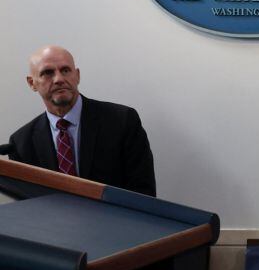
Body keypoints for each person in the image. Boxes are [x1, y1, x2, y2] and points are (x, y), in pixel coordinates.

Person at [9, 45, 156, 196]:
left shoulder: (122, 121)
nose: (59, 79)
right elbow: (27, 207)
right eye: (47, 73)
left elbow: (143, 193)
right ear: (31, 83)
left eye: (65, 70)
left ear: (77, 75)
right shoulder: (21, 143)